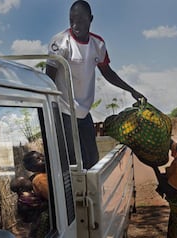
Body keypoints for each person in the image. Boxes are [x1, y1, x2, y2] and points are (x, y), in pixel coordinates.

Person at [46, 0, 145, 169]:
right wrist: (52, 110)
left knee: (92, 158)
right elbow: (49, 77)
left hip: (84, 111)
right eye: (72, 20)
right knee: (73, 161)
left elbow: (108, 73)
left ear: (90, 19)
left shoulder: (97, 44)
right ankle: (72, 195)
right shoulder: (61, 42)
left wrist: (131, 90)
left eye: (81, 20)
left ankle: (90, 194)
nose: (76, 25)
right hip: (64, 109)